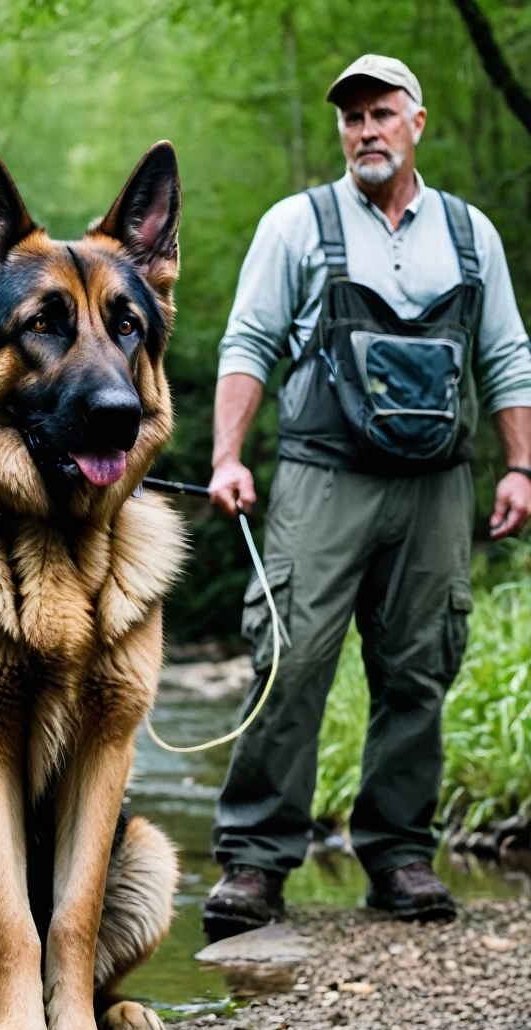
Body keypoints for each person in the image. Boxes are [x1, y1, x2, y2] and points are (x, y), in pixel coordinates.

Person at [203, 54, 531, 940]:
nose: (364, 132)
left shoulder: (471, 236)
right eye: (352, 119)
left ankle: (398, 857)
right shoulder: (295, 225)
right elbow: (248, 343)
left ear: (416, 122)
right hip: (319, 478)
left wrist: (520, 467)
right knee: (291, 661)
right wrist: (229, 457)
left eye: (381, 114)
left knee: (420, 668)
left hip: (436, 490)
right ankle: (255, 862)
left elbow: (507, 357)